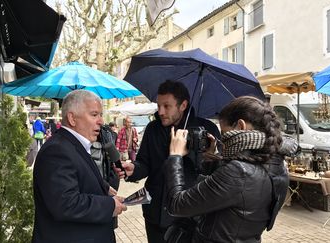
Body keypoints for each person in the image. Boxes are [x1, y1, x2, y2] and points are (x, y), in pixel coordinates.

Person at [164, 96, 291, 243]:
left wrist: (175, 156)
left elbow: (177, 205)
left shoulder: (238, 172)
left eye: (224, 134)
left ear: (240, 126)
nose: (223, 142)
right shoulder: (278, 164)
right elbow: (229, 198)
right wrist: (212, 159)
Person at [115, 80, 222, 243]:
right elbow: (145, 164)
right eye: (158, 105)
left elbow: (214, 175)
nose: (161, 111)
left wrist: (201, 155)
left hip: (188, 217)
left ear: (183, 105)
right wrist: (133, 169)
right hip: (155, 214)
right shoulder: (152, 129)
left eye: (167, 106)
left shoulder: (206, 130)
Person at [32, 90, 127, 243]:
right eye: (94, 114)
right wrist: (109, 206)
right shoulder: (56, 150)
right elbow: (65, 203)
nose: (101, 121)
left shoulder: (73, 145)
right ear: (72, 118)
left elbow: (78, 175)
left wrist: (103, 186)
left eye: (101, 115)